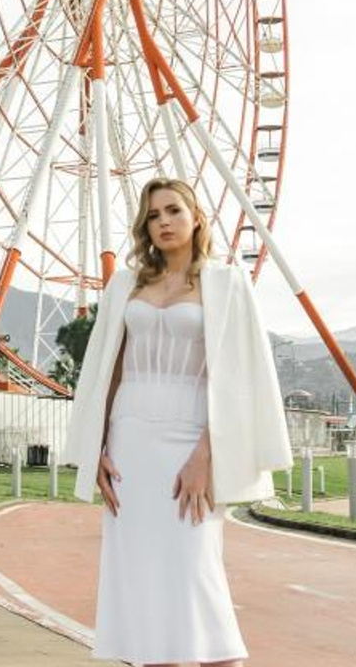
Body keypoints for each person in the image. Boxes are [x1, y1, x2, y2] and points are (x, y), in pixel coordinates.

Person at [63, 177, 293, 667]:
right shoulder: (126, 285)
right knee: (140, 580)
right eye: (153, 215)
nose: (164, 222)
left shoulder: (227, 283)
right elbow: (109, 367)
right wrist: (98, 446)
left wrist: (206, 454)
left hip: (191, 435)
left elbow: (236, 378)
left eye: (173, 211)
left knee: (195, 567)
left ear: (196, 218)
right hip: (129, 439)